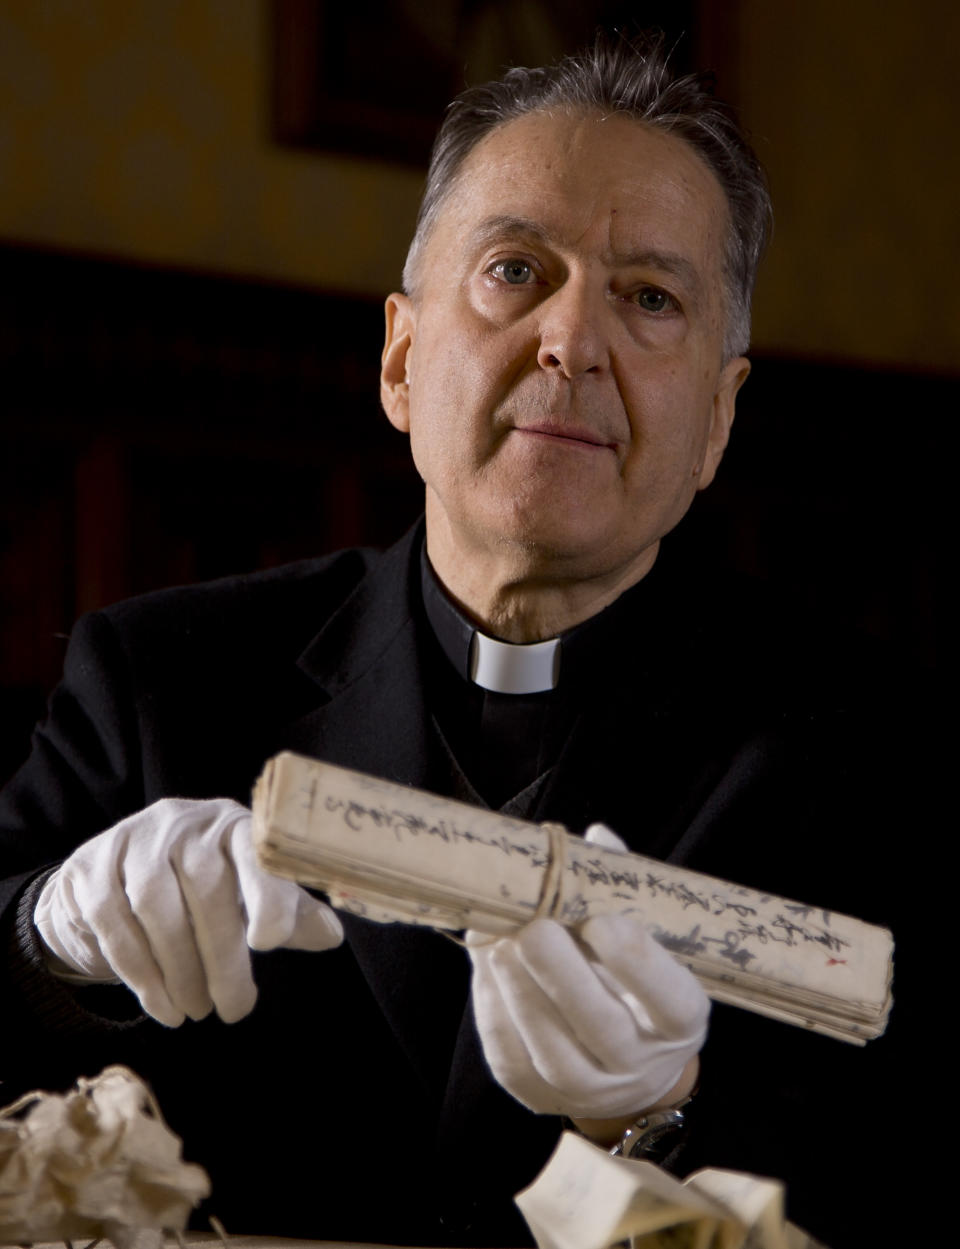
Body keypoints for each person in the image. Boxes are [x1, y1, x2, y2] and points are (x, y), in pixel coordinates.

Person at [0, 32, 911, 1249]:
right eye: (515, 269)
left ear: (718, 423)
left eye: (650, 298)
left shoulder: (875, 746)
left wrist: (661, 1115)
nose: (571, 342)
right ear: (399, 356)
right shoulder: (156, 678)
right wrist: (50, 949)